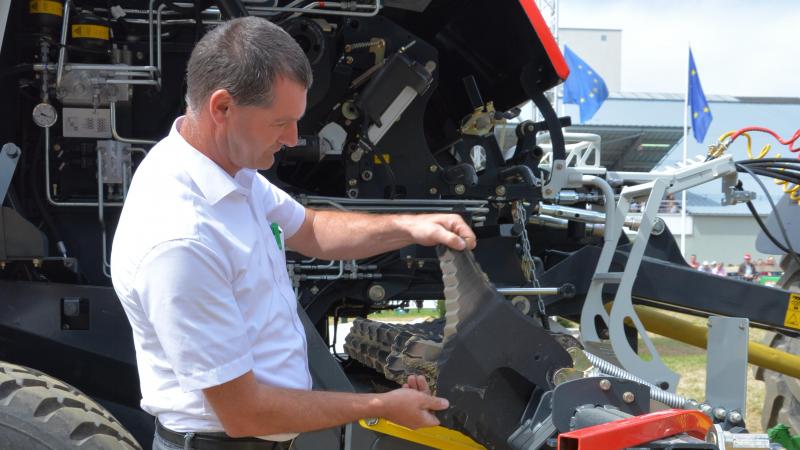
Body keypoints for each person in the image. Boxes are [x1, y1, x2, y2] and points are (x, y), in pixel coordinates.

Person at [110, 17, 477, 450]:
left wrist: (411, 227)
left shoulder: (229, 169)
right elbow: (244, 411)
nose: (293, 137)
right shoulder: (181, 240)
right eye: (280, 122)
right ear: (222, 108)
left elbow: (312, 229)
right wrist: (379, 404)